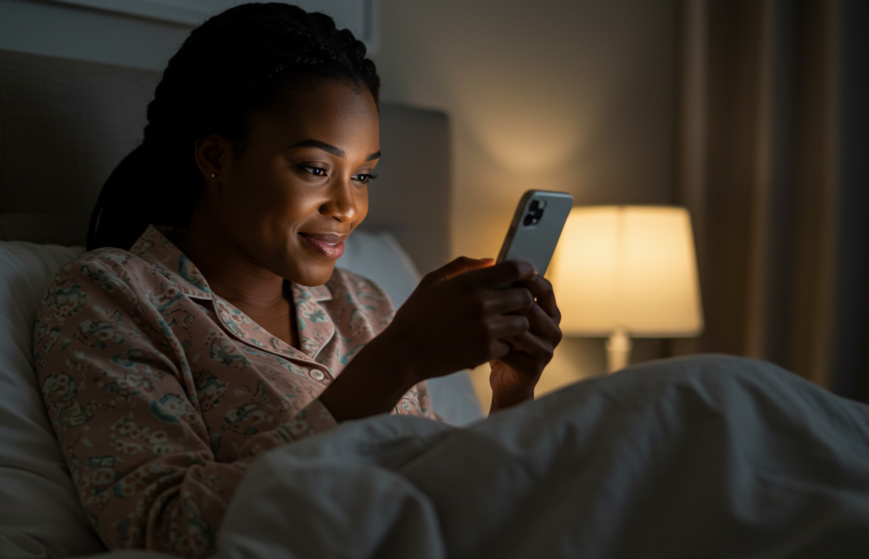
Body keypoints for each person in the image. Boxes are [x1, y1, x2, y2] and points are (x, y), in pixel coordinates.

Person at [33, 3, 562, 556]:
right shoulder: (109, 297)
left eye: (363, 176)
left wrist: (511, 394)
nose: (348, 207)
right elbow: (162, 531)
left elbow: (450, 502)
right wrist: (393, 363)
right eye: (316, 169)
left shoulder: (363, 304)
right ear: (216, 157)